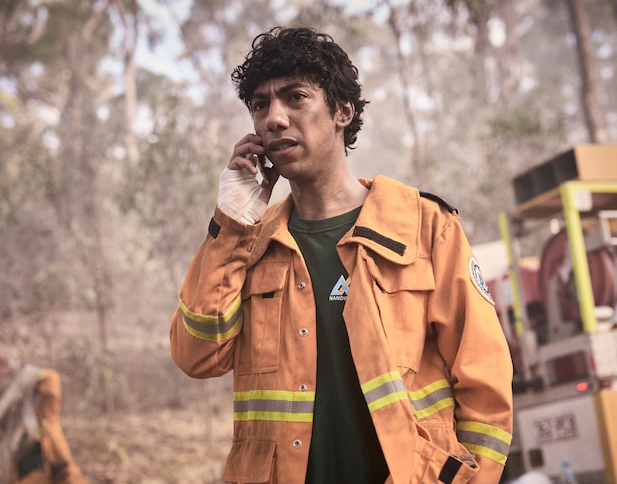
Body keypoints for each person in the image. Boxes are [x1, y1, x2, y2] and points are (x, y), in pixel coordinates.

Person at [170, 26, 513, 484]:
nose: (273, 118)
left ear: (342, 111)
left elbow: (485, 386)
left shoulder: (426, 227)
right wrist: (232, 223)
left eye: (295, 97)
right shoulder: (244, 244)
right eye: (259, 104)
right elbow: (197, 355)